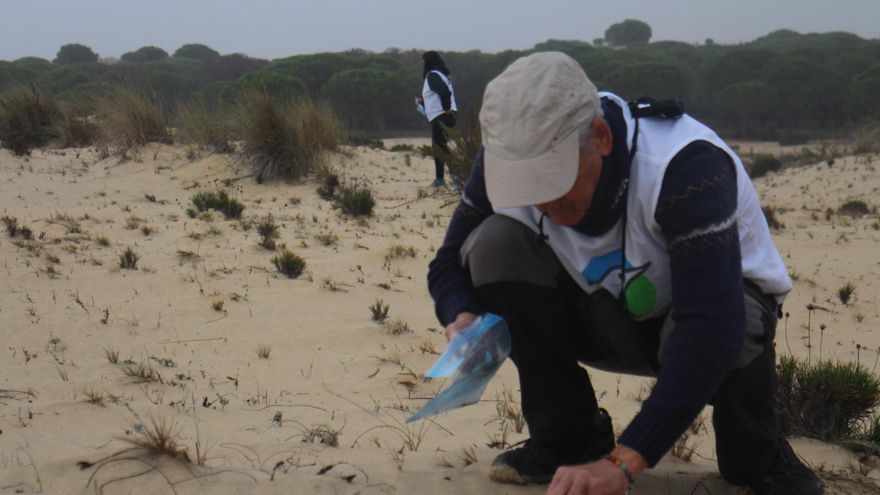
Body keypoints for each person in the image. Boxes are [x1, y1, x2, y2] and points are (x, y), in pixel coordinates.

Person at [427, 52, 824, 495]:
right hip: (600, 316)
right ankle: (568, 441)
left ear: (600, 136)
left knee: (741, 346)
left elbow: (711, 323)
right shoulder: (504, 161)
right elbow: (447, 264)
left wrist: (624, 461)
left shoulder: (685, 166)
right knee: (493, 245)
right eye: (527, 188)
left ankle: (760, 452)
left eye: (553, 183)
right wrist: (461, 316)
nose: (543, 206)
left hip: (708, 328)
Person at [421, 50, 458, 188]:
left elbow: (444, 92)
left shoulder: (432, 75)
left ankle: (449, 177)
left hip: (441, 116)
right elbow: (439, 94)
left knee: (439, 148)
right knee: (441, 147)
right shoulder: (442, 74)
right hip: (445, 116)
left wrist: (446, 108)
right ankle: (445, 177)